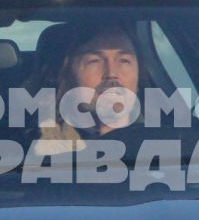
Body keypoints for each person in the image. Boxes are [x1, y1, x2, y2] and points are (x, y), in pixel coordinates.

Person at [31, 24, 144, 155]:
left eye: (124, 61)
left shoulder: (166, 139)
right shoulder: (48, 154)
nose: (111, 73)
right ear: (66, 77)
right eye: (94, 61)